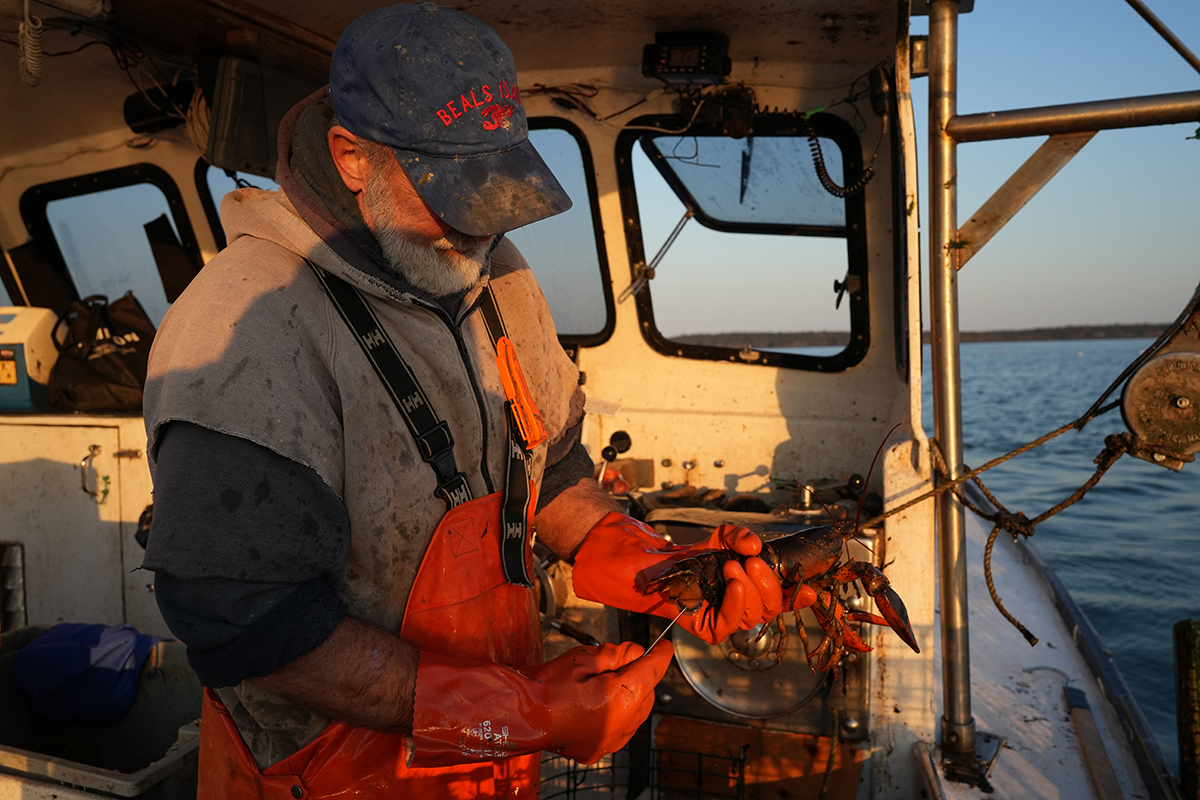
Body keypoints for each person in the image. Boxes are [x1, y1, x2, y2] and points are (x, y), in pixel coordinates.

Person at [141, 4, 785, 797]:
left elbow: (551, 469)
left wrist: (665, 571)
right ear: (351, 157)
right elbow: (245, 621)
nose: (475, 228)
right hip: (323, 780)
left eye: (494, 189)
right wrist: (516, 711)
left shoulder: (495, 273)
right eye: (449, 190)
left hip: (487, 765)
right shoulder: (246, 328)